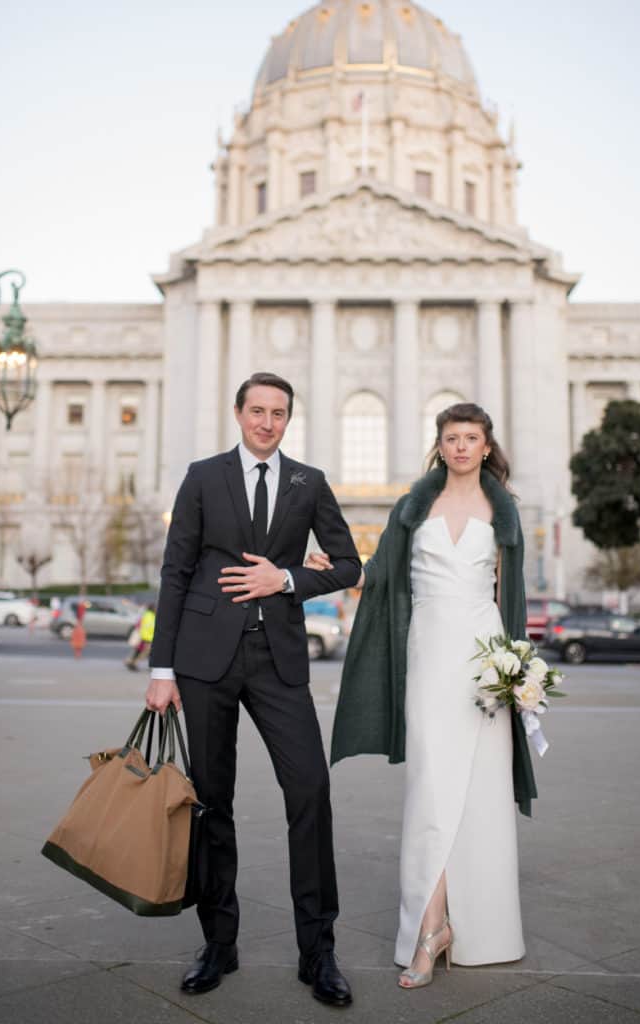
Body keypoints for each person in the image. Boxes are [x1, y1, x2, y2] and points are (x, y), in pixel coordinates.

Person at [145, 371, 361, 1006]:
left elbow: (348, 564)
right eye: (258, 410)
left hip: (279, 661)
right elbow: (175, 570)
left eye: (279, 413)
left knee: (311, 792)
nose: (268, 422)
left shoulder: (308, 483)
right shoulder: (202, 476)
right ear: (238, 413)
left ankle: (317, 953)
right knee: (211, 801)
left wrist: (287, 580)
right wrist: (161, 672)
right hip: (204, 662)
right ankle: (218, 943)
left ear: (289, 420)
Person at [313, 402, 536, 989]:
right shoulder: (414, 506)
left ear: (487, 446)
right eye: (451, 437)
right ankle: (430, 926)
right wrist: (336, 570)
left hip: (485, 655)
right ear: (439, 445)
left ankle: (475, 927)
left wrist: (520, 671)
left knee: (482, 793)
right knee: (432, 787)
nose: (461, 446)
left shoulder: (505, 510)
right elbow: (380, 573)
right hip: (429, 651)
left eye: (472, 437)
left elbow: (512, 598)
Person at [125, 602, 156, 671]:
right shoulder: (150, 616)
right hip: (147, 637)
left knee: (140, 650)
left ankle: (130, 661)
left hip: (144, 636)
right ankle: (132, 662)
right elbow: (151, 627)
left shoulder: (147, 615)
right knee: (145, 652)